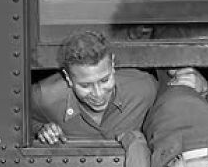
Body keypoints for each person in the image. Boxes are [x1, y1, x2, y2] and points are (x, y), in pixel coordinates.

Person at [30, 30, 158, 143]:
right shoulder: (43, 96)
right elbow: (17, 123)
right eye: (85, 85)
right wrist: (40, 129)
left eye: (104, 80)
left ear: (112, 65)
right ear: (68, 78)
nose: (98, 94)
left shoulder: (145, 88)